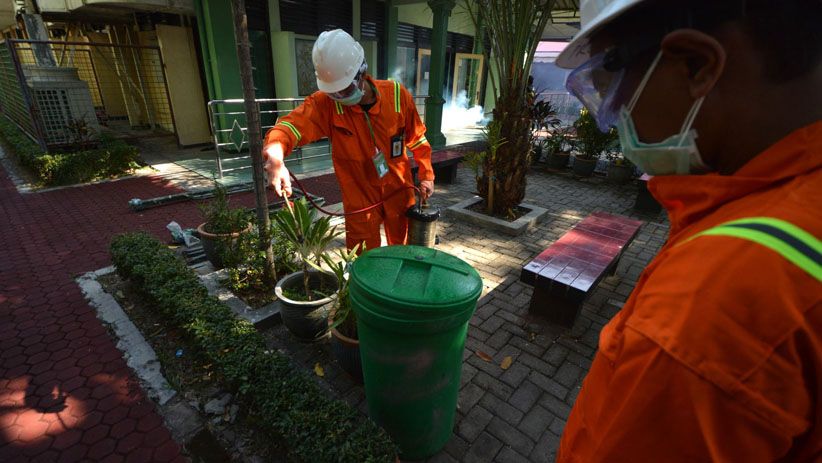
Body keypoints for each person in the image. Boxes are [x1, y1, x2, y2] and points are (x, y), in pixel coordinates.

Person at [555, 0, 821, 461]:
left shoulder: (713, 300)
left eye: (612, 89)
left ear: (697, 64)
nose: (614, 118)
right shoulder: (795, 204)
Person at [262, 29, 434, 251]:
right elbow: (289, 126)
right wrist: (275, 156)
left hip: (399, 189)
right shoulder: (326, 105)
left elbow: (418, 139)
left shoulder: (397, 96)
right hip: (359, 199)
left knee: (403, 251)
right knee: (362, 259)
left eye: (346, 90)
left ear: (362, 73)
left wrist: (426, 175)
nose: (341, 98)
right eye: (334, 93)